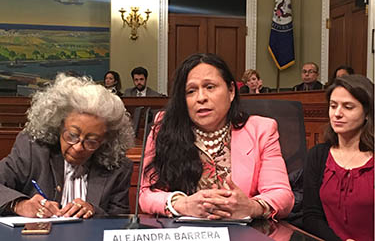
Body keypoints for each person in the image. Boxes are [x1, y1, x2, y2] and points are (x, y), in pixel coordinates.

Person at [139, 53, 294, 220]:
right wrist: (182, 204)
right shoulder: (165, 128)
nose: (201, 98)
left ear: (231, 91)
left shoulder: (261, 130)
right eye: (191, 91)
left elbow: (282, 194)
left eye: (210, 87)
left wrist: (251, 207)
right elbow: (146, 194)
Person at [0, 74, 135, 218]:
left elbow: (119, 220)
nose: (77, 147)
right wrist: (19, 204)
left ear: (105, 140)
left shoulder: (118, 167)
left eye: (91, 141)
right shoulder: (33, 149)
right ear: (58, 125)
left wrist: (94, 212)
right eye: (72, 135)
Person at [303, 75, 374, 241]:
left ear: (367, 113)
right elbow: (311, 216)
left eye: (348, 107)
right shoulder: (318, 155)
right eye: (333, 106)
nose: (337, 114)